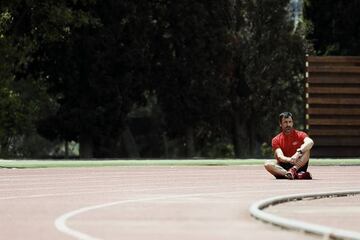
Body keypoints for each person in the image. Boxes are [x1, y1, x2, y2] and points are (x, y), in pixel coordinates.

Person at [264, 112, 314, 180]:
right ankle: (292, 174)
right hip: (284, 167)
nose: (288, 124)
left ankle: (293, 171)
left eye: (290, 122)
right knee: (267, 164)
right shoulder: (275, 139)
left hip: (299, 165)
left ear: (292, 123)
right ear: (280, 124)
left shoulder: (301, 134)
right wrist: (290, 160)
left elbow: (310, 142)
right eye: (285, 122)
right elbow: (280, 156)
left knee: (307, 148)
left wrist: (298, 153)